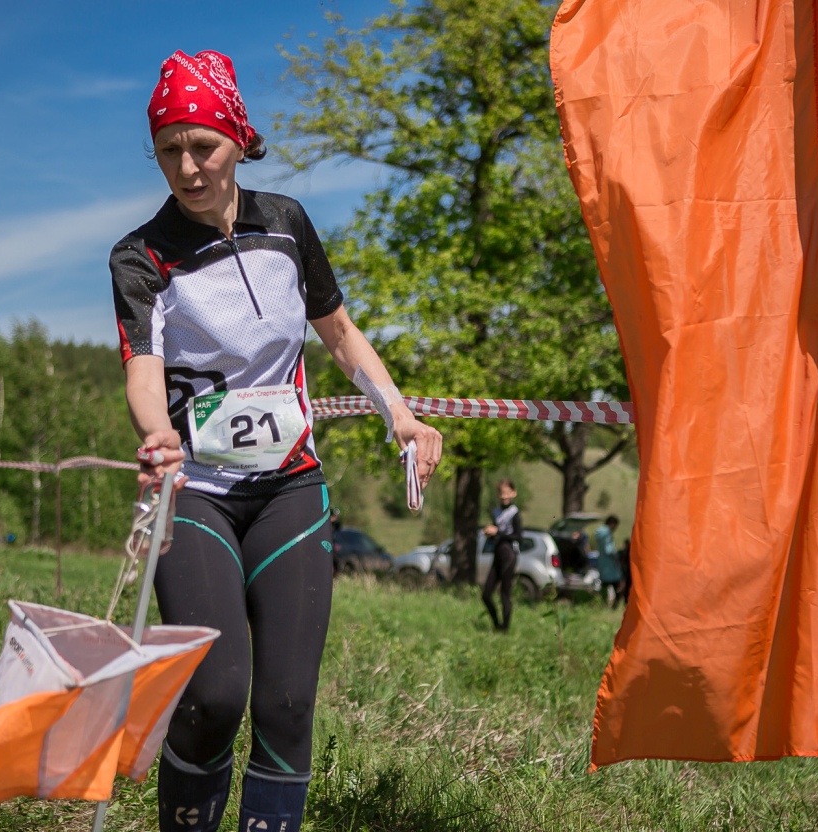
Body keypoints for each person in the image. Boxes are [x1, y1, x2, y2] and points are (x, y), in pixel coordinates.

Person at [112, 49, 443, 832]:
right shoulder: (140, 254)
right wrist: (156, 435)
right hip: (196, 493)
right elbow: (142, 368)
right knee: (215, 694)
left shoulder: (287, 224)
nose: (187, 168)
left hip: (290, 488)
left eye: (203, 146)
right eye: (168, 150)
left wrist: (399, 412)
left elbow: (340, 333)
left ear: (237, 138)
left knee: (288, 703)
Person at [482, 479, 522, 631]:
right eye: (501, 493)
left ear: (513, 493)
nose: (504, 496)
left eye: (507, 493)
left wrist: (498, 532)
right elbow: (496, 535)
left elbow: (518, 537)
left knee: (504, 594)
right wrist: (489, 533)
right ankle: (496, 625)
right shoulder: (497, 512)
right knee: (486, 595)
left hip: (509, 555)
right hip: (497, 555)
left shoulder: (515, 513)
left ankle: (504, 629)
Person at [591, 515, 622, 603]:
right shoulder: (607, 533)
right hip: (610, 564)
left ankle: (602, 602)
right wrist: (617, 556)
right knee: (616, 583)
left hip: (602, 562)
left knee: (604, 584)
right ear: (612, 524)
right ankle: (616, 604)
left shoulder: (600, 532)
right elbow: (608, 549)